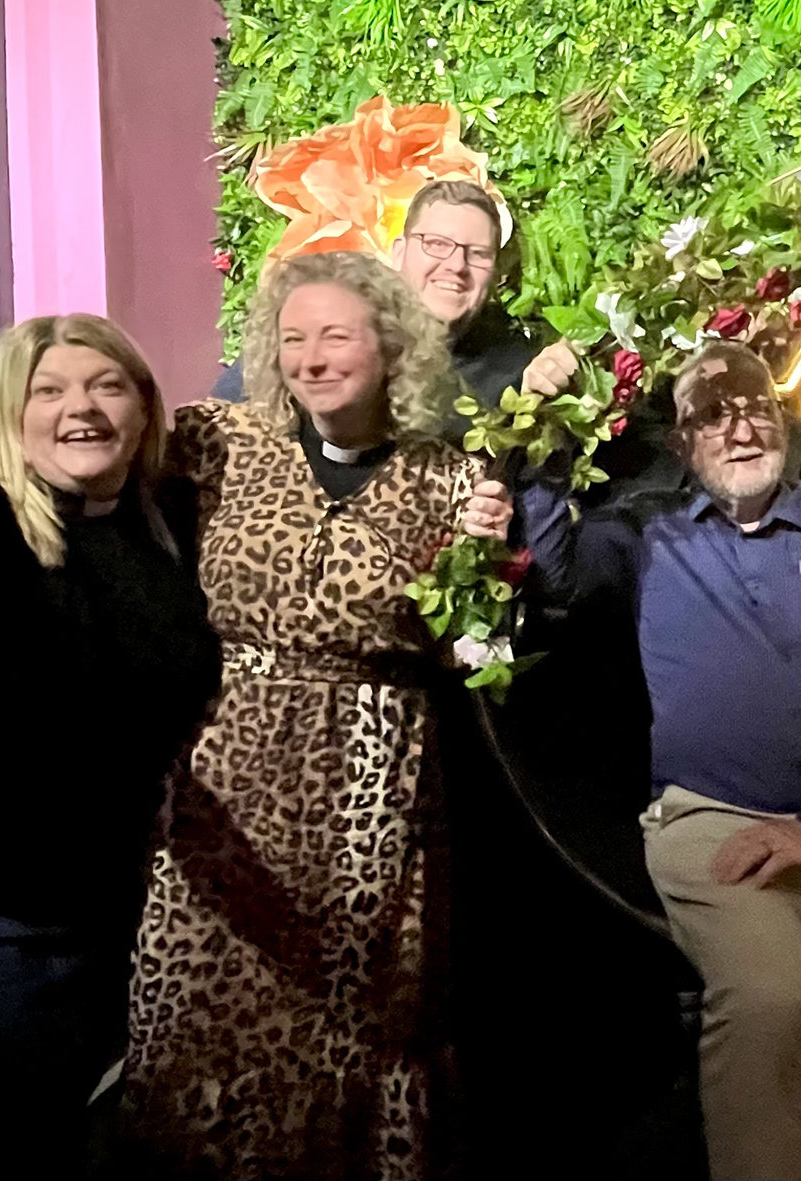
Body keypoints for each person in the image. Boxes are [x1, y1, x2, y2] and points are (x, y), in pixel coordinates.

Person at [123, 251, 514, 1179]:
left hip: (371, 796)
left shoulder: (454, 480)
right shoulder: (214, 440)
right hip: (224, 777)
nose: (311, 357)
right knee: (199, 1009)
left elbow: (479, 660)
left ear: (390, 346)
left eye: (335, 334)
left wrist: (491, 572)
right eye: (292, 338)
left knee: (357, 1023)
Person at [522, 342, 801, 1181]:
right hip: (709, 814)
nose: (741, 425)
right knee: (768, 1000)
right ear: (681, 445)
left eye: (755, 405)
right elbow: (555, 578)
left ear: (783, 419)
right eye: (712, 414)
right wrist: (543, 443)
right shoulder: (647, 533)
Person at [0, 315, 219, 1177]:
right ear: (7, 413)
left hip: (94, 939)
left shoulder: (159, 531)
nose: (80, 407)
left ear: (145, 410)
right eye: (47, 390)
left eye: (106, 385)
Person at [212, 179, 578, 436]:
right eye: (436, 244)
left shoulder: (515, 370)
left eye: (477, 254)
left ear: (496, 273)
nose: (456, 265)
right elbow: (217, 423)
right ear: (399, 252)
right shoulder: (334, 326)